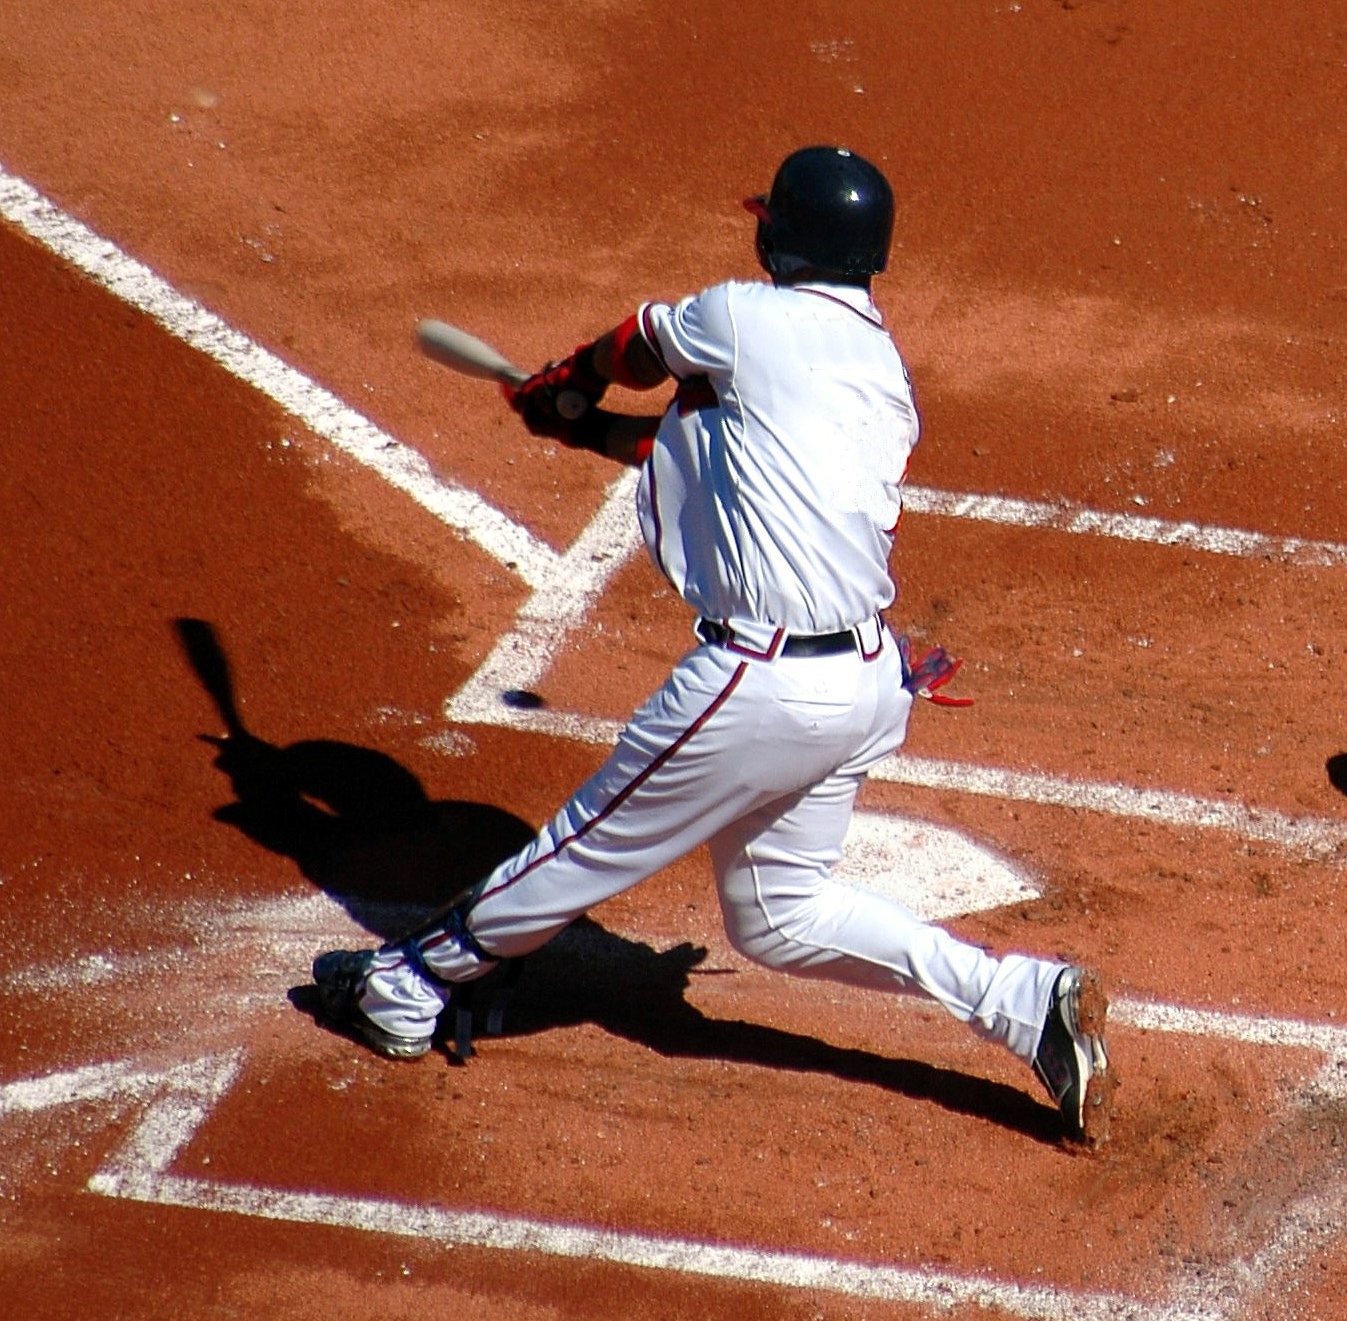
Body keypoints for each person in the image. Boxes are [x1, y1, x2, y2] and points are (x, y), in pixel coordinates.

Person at [308, 148, 1113, 1141]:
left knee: (584, 842)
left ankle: (407, 984)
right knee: (779, 915)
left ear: (783, 234)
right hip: (863, 682)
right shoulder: (876, 368)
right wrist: (581, 429)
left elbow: (640, 343)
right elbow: (714, 460)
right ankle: (1023, 1001)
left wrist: (566, 382)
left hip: (760, 683)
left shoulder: (743, 316)